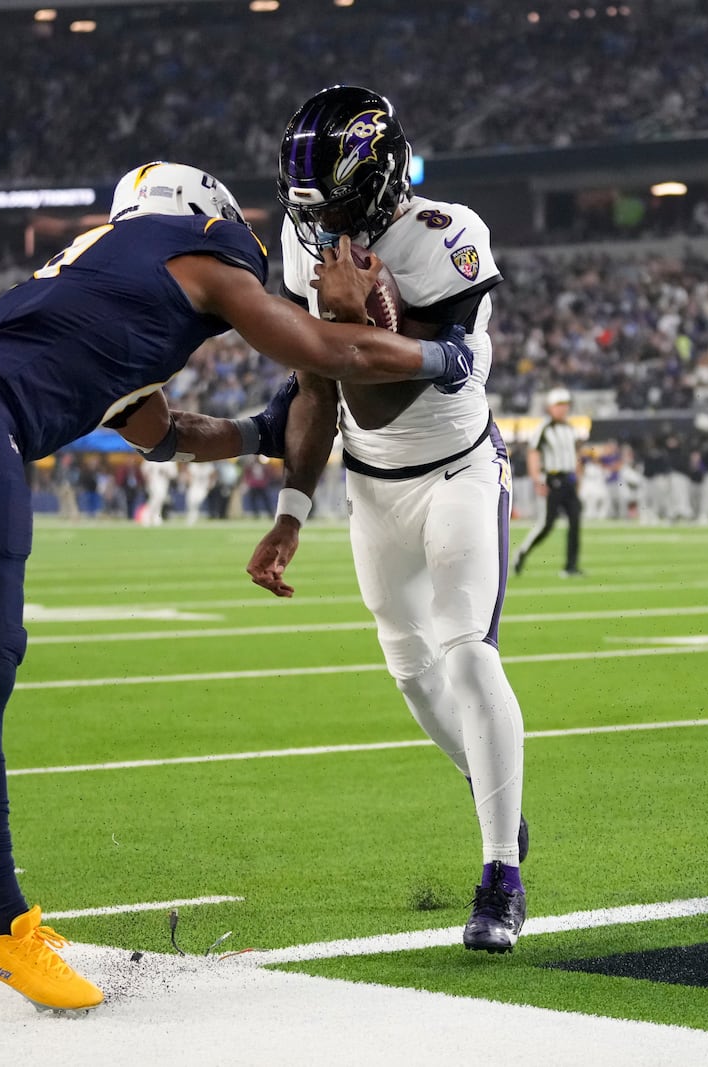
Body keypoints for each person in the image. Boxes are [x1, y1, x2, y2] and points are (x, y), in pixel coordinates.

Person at [0, 160, 477, 1012]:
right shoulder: (194, 256)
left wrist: (265, 431)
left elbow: (168, 432)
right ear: (198, 211)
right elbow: (333, 350)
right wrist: (446, 352)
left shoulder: (109, 282)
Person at [246, 86, 529, 953]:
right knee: (411, 674)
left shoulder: (447, 234)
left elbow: (434, 368)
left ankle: (500, 874)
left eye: (330, 203)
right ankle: (499, 798)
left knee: (466, 650)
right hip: (371, 484)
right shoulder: (309, 253)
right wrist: (293, 506)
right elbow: (319, 388)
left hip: (456, 473)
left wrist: (357, 320)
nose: (318, 224)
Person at [514, 387, 583, 577]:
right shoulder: (544, 428)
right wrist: (537, 480)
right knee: (546, 525)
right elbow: (533, 454)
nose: (563, 409)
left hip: (568, 480)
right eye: (559, 405)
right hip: (552, 480)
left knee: (575, 522)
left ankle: (571, 566)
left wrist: (578, 477)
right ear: (550, 408)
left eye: (565, 405)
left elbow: (576, 455)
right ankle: (521, 552)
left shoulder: (570, 429)